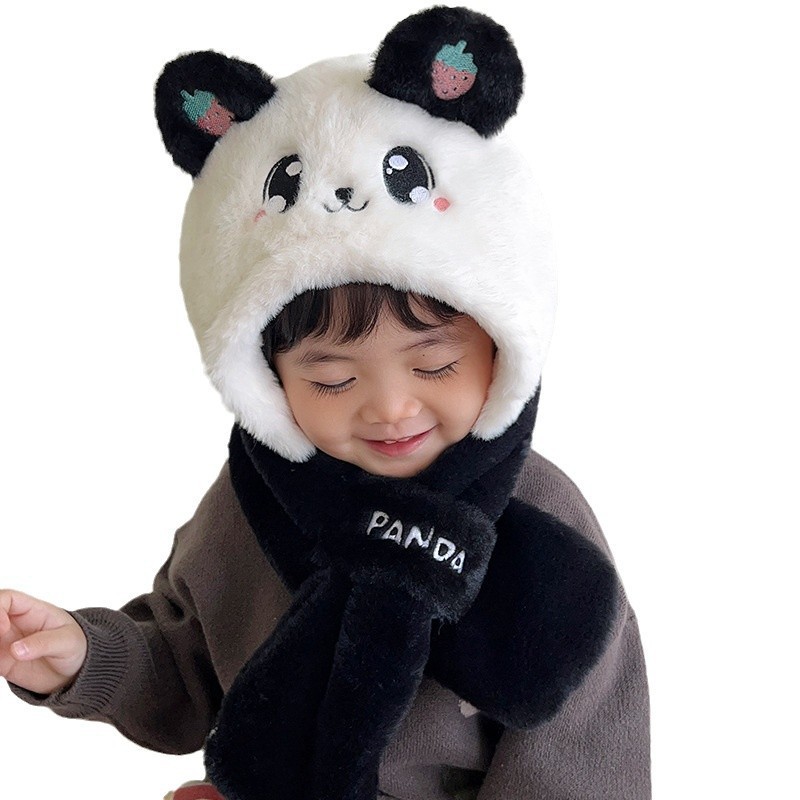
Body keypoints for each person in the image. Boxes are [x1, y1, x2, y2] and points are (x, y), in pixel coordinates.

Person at [1, 7, 650, 800]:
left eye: (436, 364)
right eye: (333, 381)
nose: (391, 407)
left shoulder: (541, 523)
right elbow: (183, 666)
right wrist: (81, 654)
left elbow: (586, 756)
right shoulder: (251, 505)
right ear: (264, 382)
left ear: (502, 344)